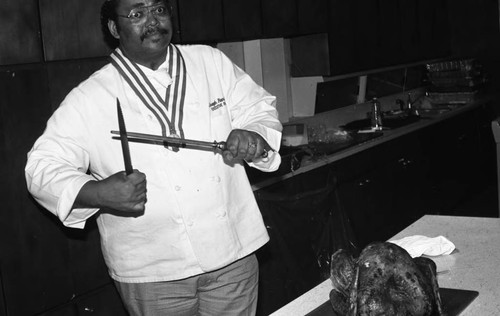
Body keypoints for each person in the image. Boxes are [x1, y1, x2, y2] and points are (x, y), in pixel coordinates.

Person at [25, 0, 282, 314]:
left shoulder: (209, 61)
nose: (152, 21)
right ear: (113, 28)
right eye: (136, 13)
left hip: (232, 255)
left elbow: (260, 110)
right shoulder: (91, 96)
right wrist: (98, 193)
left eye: (159, 9)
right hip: (153, 273)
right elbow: (41, 167)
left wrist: (255, 135)